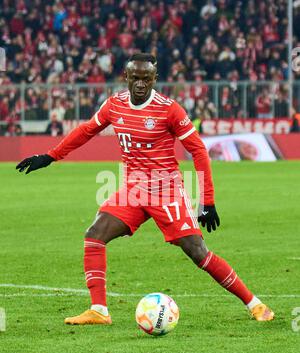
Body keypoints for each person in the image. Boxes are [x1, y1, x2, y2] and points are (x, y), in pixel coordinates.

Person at [16, 53, 274, 325]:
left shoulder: (169, 109)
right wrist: (50, 156)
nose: (141, 84)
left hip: (167, 189)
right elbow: (86, 130)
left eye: (146, 79)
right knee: (94, 235)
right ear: (126, 78)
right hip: (134, 189)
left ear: (155, 79)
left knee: (197, 251)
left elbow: (198, 150)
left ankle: (255, 304)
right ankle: (99, 310)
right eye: (135, 78)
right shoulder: (114, 105)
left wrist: (207, 201)